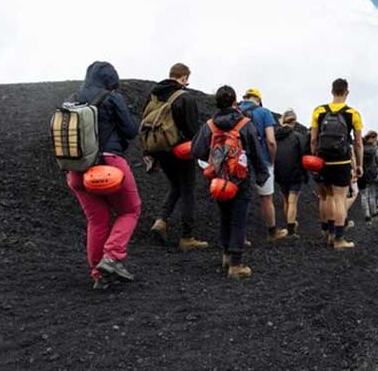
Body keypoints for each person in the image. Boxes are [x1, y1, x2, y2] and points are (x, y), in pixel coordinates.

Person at [65, 61, 141, 289]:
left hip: (76, 170)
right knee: (130, 210)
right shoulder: (111, 97)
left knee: (97, 220)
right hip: (108, 166)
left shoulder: (71, 99)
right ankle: (111, 257)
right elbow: (130, 130)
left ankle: (98, 274)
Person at [192, 86, 269, 279]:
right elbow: (256, 152)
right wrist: (261, 175)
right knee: (239, 219)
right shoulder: (245, 124)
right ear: (235, 101)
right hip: (241, 177)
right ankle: (236, 265)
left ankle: (226, 255)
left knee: (224, 216)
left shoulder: (209, 125)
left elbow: (196, 150)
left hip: (218, 177)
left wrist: (214, 158)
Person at [142, 63, 207, 250]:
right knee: (187, 189)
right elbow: (193, 130)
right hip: (181, 151)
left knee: (175, 185)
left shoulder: (153, 95)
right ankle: (187, 237)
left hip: (159, 148)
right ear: (184, 78)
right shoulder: (184, 97)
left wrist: (149, 152)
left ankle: (161, 222)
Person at [309, 78, 363, 250]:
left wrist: (314, 157)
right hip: (342, 160)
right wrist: (359, 165)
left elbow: (313, 139)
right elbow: (358, 143)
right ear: (346, 92)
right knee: (340, 198)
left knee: (325, 196)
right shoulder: (353, 114)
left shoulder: (318, 111)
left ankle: (326, 232)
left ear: (332, 91)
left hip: (323, 160)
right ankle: (339, 239)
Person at [238, 88, 279, 242]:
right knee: (266, 198)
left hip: (239, 161)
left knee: (240, 200)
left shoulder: (234, 110)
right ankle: (272, 233)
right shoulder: (264, 112)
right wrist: (272, 161)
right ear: (259, 99)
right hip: (262, 161)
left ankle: (240, 237)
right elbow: (271, 141)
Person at [273, 108, 307, 239]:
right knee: (292, 201)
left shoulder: (275, 136)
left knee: (286, 200)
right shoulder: (297, 136)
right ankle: (291, 231)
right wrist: (305, 174)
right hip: (294, 172)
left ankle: (289, 225)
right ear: (294, 122)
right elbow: (303, 156)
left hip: (280, 172)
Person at [360, 131, 378, 222]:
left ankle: (367, 216)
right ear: (373, 139)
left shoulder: (360, 149)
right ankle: (377, 210)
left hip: (361, 173)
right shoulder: (377, 149)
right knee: (377, 193)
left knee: (364, 195)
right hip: (374, 173)